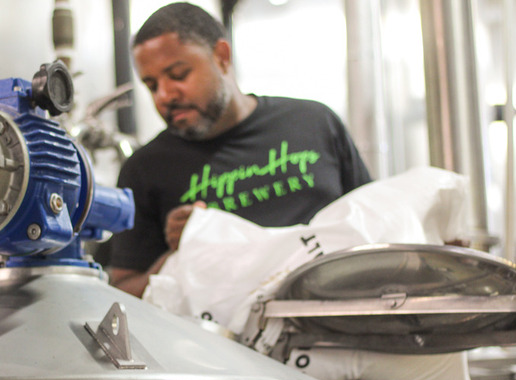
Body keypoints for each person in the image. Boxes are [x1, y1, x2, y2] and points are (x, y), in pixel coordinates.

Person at [107, 2, 372, 298]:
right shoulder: (144, 169)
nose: (165, 96)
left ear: (222, 57)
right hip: (217, 342)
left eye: (179, 74)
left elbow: (372, 224)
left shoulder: (315, 122)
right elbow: (123, 294)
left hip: (337, 316)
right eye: (152, 85)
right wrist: (180, 255)